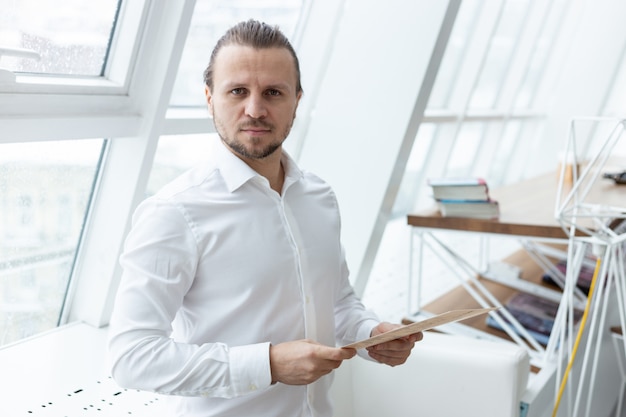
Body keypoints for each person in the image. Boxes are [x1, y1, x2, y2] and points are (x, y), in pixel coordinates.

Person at [108, 19, 422, 417]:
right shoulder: (173, 212)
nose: (255, 109)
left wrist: (371, 333)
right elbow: (132, 357)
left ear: (297, 99)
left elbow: (337, 302)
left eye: (273, 92)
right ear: (209, 98)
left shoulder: (319, 198)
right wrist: (269, 364)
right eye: (238, 91)